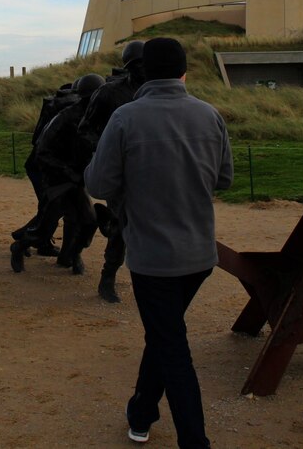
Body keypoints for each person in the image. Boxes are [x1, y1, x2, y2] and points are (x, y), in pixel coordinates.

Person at [84, 37, 233, 448]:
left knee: (171, 345)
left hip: (153, 257)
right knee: (164, 333)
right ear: (186, 71)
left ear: (143, 72)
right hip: (200, 254)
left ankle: (194, 440)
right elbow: (224, 178)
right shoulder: (210, 115)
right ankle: (141, 412)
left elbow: (97, 184)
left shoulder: (126, 118)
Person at [9, 73, 103, 275]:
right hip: (58, 180)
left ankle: (74, 254)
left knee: (89, 221)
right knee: (45, 228)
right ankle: (20, 246)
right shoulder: (65, 118)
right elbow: (42, 152)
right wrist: (67, 172)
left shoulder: (95, 117)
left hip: (76, 179)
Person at [79, 40, 146, 303]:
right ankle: (108, 277)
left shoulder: (155, 92)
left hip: (150, 171)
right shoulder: (108, 94)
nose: (143, 70)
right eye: (137, 65)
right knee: (122, 225)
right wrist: (110, 151)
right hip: (122, 175)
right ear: (128, 67)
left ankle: (151, 277)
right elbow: (86, 129)